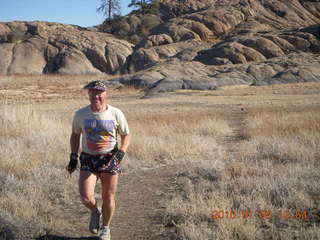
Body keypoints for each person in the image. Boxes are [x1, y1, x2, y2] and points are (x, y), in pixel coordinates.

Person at [67, 80, 130, 240]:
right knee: (86, 197)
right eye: (93, 92)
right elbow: (75, 135)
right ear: (88, 94)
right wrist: (73, 156)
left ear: (106, 94)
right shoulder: (80, 114)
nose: (96, 95)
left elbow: (126, 134)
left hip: (110, 158)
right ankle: (96, 212)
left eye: (99, 92)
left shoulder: (116, 113)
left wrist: (122, 152)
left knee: (108, 196)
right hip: (88, 159)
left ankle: (105, 229)